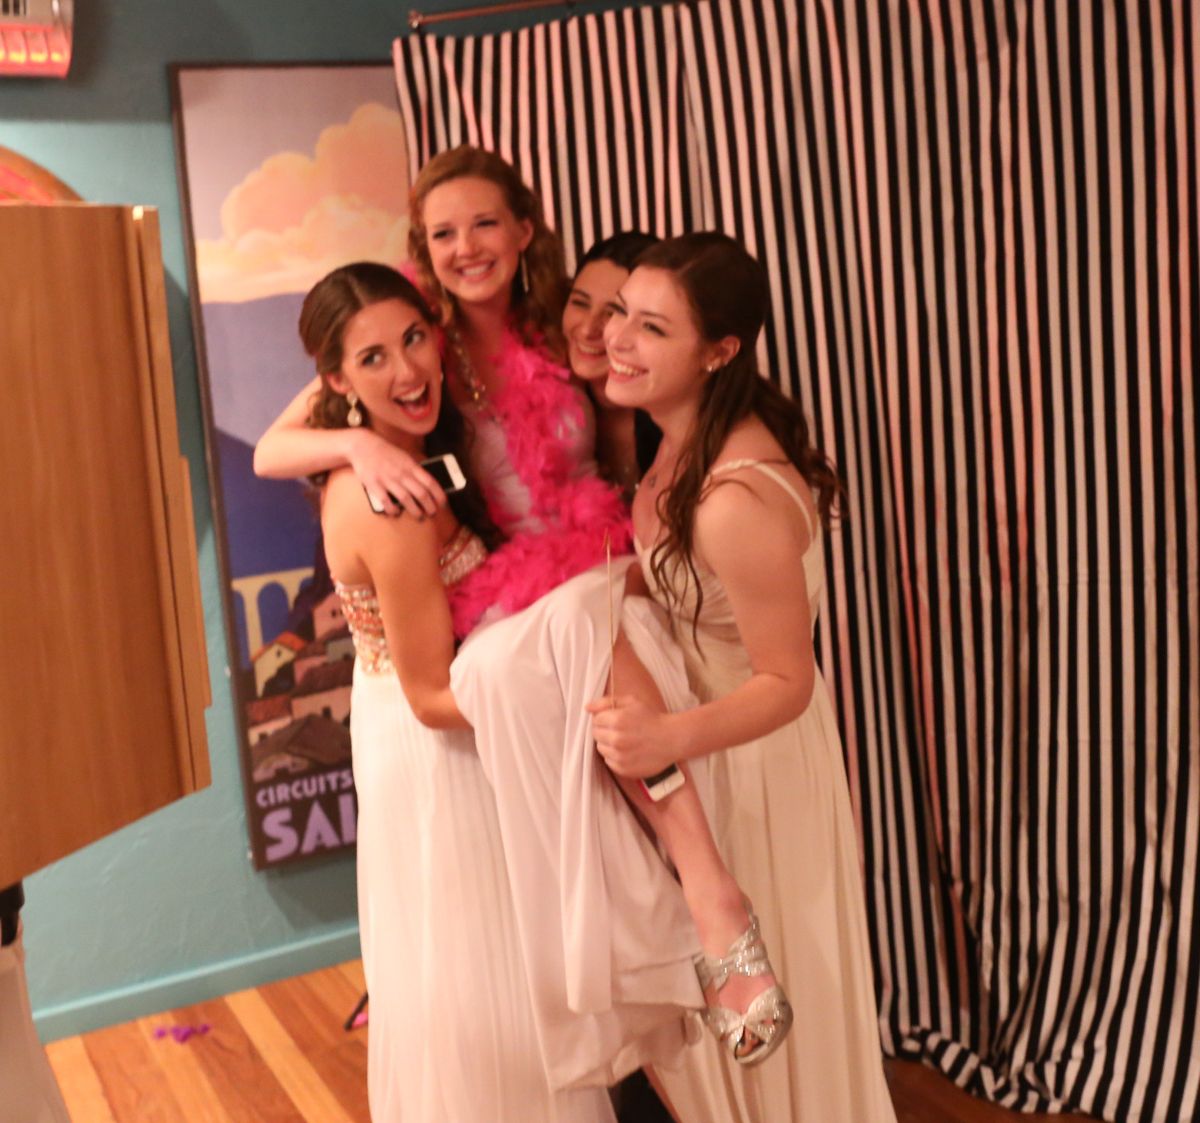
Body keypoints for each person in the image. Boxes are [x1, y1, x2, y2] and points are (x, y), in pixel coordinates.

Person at [590, 232, 898, 1122]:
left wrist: (664, 736)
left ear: (719, 351)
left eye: (653, 328)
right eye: (621, 314)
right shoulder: (678, 435)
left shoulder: (734, 499)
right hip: (708, 750)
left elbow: (787, 680)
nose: (618, 339)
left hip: (754, 762)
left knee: (764, 1014)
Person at [304, 261, 618, 1121]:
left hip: (444, 736)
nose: (409, 371)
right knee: (488, 979)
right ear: (337, 381)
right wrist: (564, 692)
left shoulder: (409, 458)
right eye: (373, 358)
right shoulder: (389, 502)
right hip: (441, 752)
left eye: (414, 338)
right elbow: (431, 696)